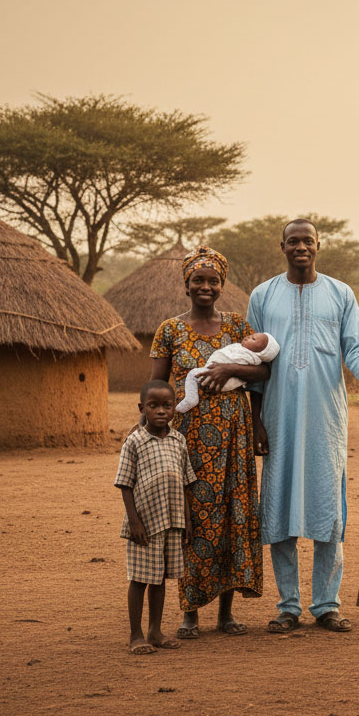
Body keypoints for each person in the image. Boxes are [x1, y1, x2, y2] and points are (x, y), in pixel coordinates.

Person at [247, 219, 359, 633]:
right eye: (293, 241)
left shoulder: (340, 293)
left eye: (307, 241)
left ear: (318, 246)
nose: (300, 247)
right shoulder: (263, 295)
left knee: (329, 508)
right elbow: (255, 360)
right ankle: (288, 606)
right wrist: (257, 422)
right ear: (282, 247)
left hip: (327, 418)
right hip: (277, 417)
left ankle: (327, 604)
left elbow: (357, 346)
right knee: (279, 507)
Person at [150, 245, 269, 639]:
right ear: (187, 284)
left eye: (213, 281)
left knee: (235, 517)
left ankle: (226, 614)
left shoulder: (237, 326)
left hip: (235, 437)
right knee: (194, 521)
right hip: (188, 438)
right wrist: (151, 433)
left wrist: (257, 425)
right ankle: (190, 613)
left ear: (222, 285)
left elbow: (262, 373)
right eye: (198, 280)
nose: (206, 286)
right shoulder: (170, 329)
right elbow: (156, 387)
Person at [116, 379, 195, 655]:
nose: (161, 411)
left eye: (167, 405)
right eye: (153, 406)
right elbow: (125, 484)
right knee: (140, 578)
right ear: (142, 408)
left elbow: (185, 483)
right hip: (145, 525)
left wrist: (186, 521)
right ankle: (136, 635)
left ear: (174, 408)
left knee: (160, 578)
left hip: (172, 521)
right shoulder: (134, 441)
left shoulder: (178, 440)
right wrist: (134, 521)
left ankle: (155, 630)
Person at [175, 332, 280, 413]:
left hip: (229, 408)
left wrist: (228, 369)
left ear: (260, 352)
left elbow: (265, 372)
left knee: (193, 374)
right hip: (197, 416)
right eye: (251, 335)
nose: (248, 337)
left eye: (253, 339)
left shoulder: (247, 355)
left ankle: (191, 398)